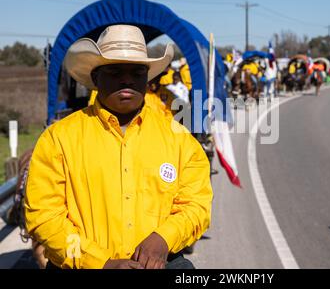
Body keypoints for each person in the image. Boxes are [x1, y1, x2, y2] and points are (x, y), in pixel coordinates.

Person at [24, 24, 213, 269]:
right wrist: (101, 263)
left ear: (147, 76)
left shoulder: (180, 139)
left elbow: (196, 205)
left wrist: (164, 238)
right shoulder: (59, 138)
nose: (127, 79)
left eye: (136, 72)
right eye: (114, 71)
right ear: (95, 77)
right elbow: (44, 216)